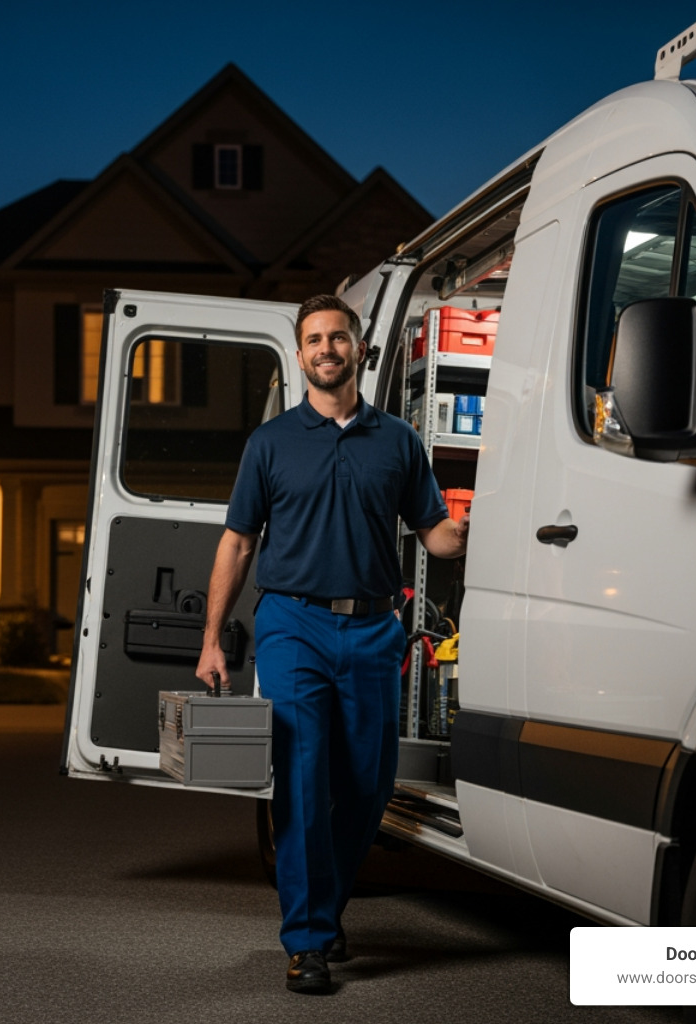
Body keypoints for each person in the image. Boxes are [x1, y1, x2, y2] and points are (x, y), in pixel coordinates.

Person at [193, 294, 467, 995]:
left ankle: (326, 904)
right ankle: (308, 940)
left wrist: (490, 520)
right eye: (314, 339)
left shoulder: (399, 442)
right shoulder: (271, 443)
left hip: (376, 629)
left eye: (337, 337)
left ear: (359, 350)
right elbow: (237, 542)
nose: (326, 348)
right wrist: (212, 641)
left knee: (370, 788)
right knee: (306, 781)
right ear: (301, 352)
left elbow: (436, 533)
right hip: (293, 625)